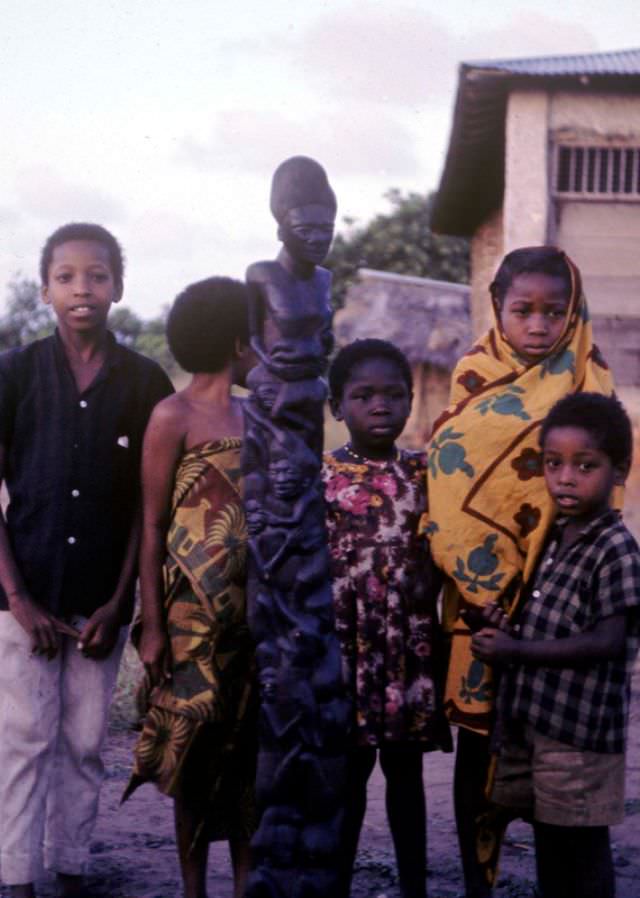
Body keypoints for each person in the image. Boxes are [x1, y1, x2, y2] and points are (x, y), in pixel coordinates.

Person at [422, 246, 617, 897]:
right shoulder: (474, 377)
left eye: (553, 312)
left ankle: (565, 876)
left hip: (561, 606)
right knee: (479, 746)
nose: (538, 325)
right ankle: (480, 882)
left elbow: (600, 496)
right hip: (479, 608)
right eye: (522, 310)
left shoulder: (591, 384)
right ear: (497, 310)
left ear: (573, 313)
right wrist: (482, 591)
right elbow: (450, 484)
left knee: (559, 759)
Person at [0, 222, 173, 898]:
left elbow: (146, 508)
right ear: (45, 289)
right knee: (23, 742)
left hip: (101, 601)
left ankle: (70, 871)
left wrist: (118, 600)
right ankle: (16, 879)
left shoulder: (144, 381)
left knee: (84, 742)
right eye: (67, 276)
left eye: (97, 276)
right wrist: (18, 600)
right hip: (23, 597)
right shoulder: (13, 374)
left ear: (118, 288)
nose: (83, 288)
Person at [471, 393, 640, 898]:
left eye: (585, 465)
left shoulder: (615, 548)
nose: (565, 478)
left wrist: (515, 652)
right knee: (550, 836)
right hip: (538, 723)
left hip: (581, 735)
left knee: (583, 846)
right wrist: (503, 626)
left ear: (619, 470)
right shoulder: (553, 535)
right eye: (553, 464)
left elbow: (607, 641)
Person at [124, 278, 257, 898]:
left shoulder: (259, 415)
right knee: (193, 753)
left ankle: (245, 880)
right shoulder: (171, 416)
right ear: (238, 340)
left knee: (247, 753)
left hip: (252, 618)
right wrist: (152, 627)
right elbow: (151, 526)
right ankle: (193, 886)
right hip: (188, 619)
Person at [323, 338, 452, 898]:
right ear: (337, 407)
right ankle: (336, 884)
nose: (380, 406)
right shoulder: (319, 478)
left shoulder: (427, 474)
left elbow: (447, 548)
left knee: (406, 774)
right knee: (347, 777)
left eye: (394, 395)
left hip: (407, 648)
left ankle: (415, 887)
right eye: (363, 395)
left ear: (411, 401)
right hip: (345, 648)